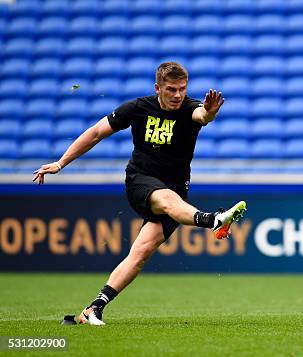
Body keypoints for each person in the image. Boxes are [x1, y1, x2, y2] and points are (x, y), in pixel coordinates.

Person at [32, 62, 247, 326]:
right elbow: (97, 133)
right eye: (171, 90)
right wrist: (60, 163)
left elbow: (202, 116)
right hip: (140, 182)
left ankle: (93, 309)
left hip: (177, 193)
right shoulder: (137, 108)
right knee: (167, 200)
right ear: (157, 88)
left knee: (141, 253)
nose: (177, 95)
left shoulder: (190, 108)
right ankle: (213, 220)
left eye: (182, 89)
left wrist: (210, 114)